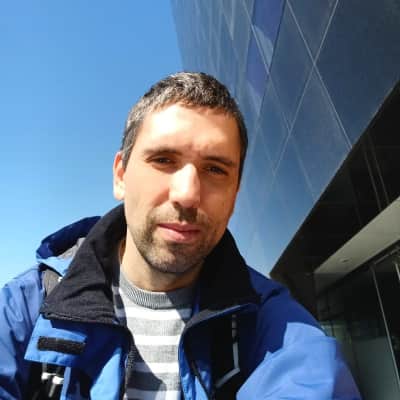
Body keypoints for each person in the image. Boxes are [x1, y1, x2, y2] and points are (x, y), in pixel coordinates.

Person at [0, 72, 360, 400]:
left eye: (214, 169)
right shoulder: (26, 309)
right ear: (121, 176)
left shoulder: (275, 325)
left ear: (235, 194)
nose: (187, 194)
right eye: (163, 160)